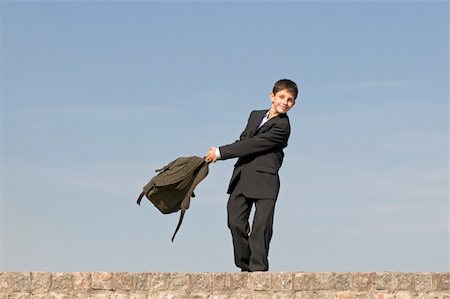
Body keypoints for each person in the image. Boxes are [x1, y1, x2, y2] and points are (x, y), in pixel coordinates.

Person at [204, 79, 298, 272]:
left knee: (261, 229)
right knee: (235, 223)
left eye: (290, 100)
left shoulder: (283, 127)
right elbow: (243, 140)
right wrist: (218, 153)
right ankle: (245, 266)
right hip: (242, 177)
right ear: (272, 96)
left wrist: (221, 152)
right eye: (281, 97)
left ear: (293, 104)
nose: (284, 102)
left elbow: (253, 144)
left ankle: (258, 271)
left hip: (266, 181)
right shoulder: (255, 115)